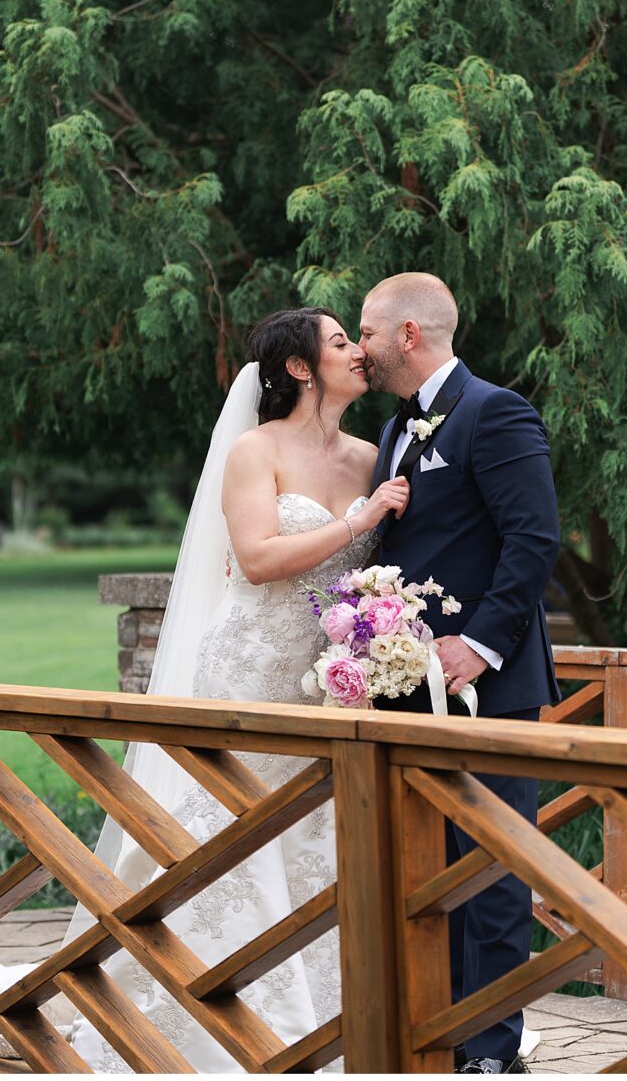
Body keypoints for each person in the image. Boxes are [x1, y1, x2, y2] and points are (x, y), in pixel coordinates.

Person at [60, 310, 405, 1070]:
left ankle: (329, 1014)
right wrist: (356, 523)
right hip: (249, 669)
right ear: (300, 368)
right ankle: (206, 1013)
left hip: (326, 679)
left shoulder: (368, 455)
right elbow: (253, 557)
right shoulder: (255, 450)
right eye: (341, 340)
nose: (358, 351)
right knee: (228, 833)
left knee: (315, 838)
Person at [359, 272, 561, 1076]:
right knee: (423, 867)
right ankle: (433, 1033)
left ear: (408, 334)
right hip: (407, 684)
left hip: (488, 685)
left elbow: (532, 541)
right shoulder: (393, 429)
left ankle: (491, 1051)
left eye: (368, 333)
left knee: (492, 865)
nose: (361, 347)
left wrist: (477, 646)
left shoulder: (495, 411)